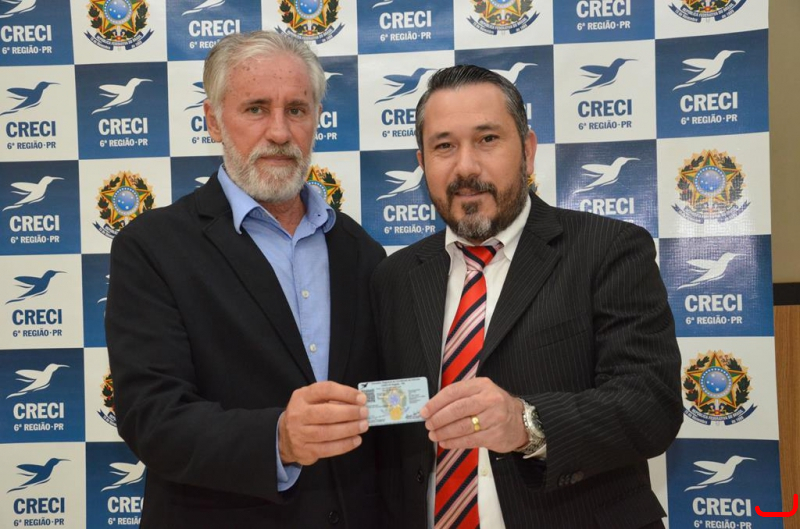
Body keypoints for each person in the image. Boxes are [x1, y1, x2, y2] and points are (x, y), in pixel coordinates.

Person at [371, 65, 683, 529]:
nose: (465, 167)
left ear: (528, 150)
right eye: (444, 146)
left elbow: (650, 405)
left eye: (487, 139)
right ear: (423, 162)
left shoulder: (608, 249)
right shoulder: (394, 276)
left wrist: (525, 424)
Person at [105, 31, 385, 528]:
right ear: (213, 120)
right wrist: (279, 439)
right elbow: (152, 417)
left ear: (317, 118)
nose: (279, 132)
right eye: (256, 108)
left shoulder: (360, 250)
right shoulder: (151, 247)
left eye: (296, 110)